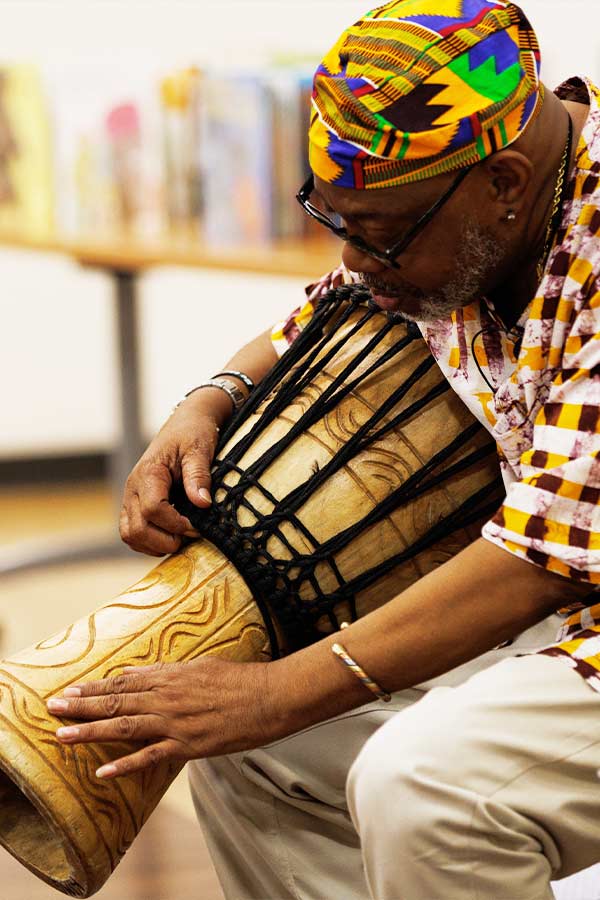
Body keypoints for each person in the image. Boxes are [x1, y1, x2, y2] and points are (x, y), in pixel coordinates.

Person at [47, 1, 600, 897]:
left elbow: (545, 557)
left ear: (503, 181)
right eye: (331, 219)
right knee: (250, 743)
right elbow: (328, 304)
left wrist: (280, 692)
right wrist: (213, 396)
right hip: (565, 609)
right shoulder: (465, 210)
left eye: (378, 235)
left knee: (425, 786)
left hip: (565, 591)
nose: (355, 257)